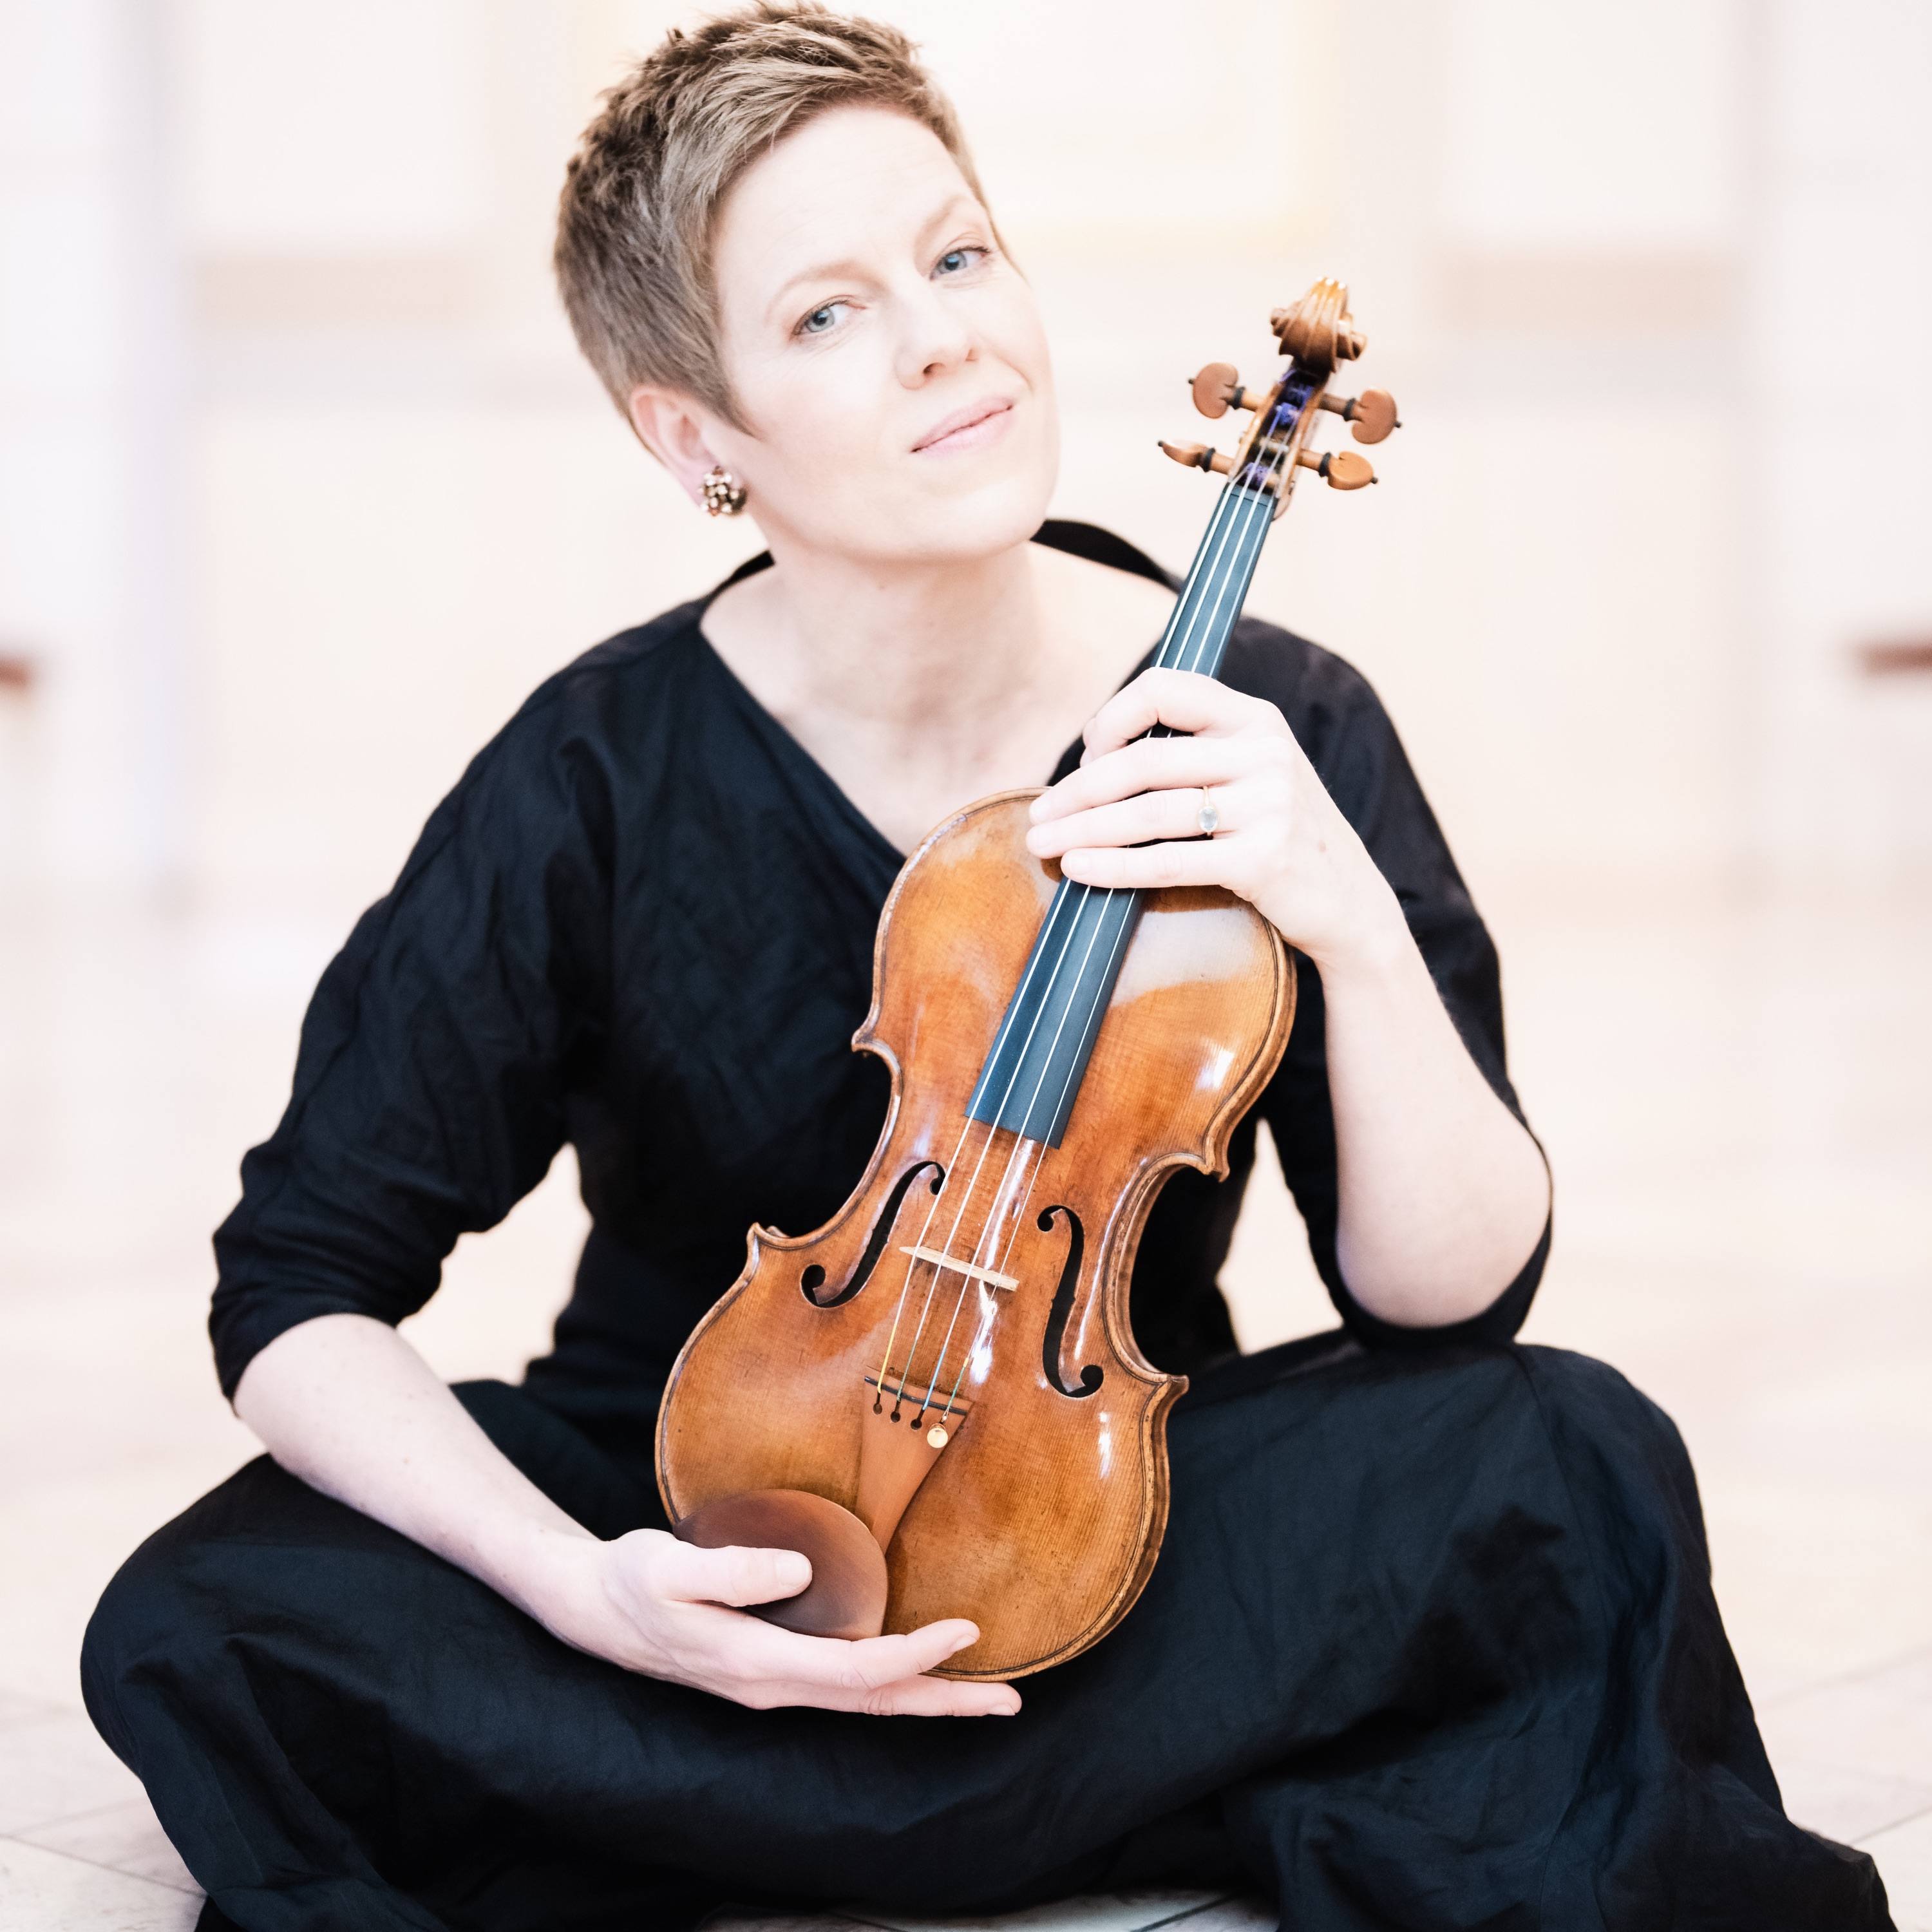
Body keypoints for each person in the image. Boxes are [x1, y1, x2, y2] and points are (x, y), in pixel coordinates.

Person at [83, 7, 1892, 1929]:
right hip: (696, 1535)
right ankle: (1054, 1797)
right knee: (205, 1609)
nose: (947, 334)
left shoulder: (1266, 721)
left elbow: (1454, 1303)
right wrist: (582, 1591)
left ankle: (736, 1820)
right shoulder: (599, 769)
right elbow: (296, 1292)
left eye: (957, 255)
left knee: (1573, 1458)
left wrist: (1342, 915)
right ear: (695, 435)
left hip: (1104, 1526)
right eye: (827, 315)